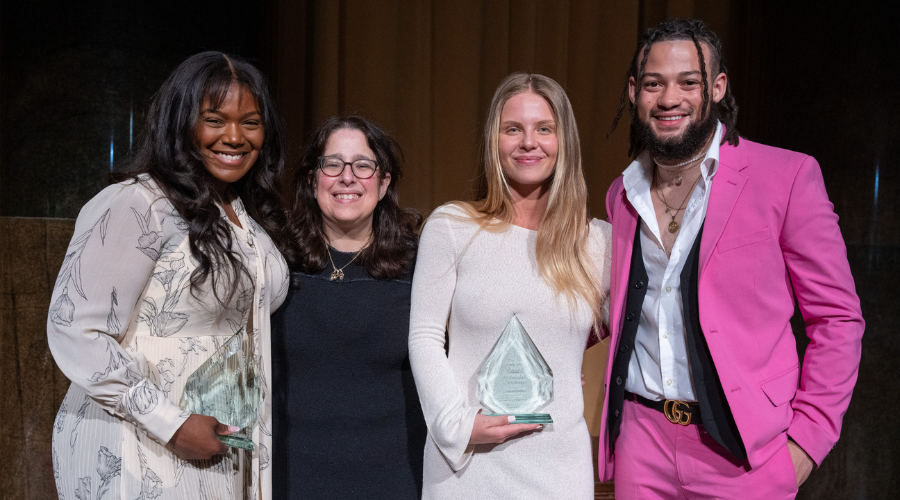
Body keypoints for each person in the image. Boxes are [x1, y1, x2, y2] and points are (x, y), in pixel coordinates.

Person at [598, 18, 864, 499]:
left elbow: (838, 319)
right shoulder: (622, 194)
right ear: (635, 92)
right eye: (654, 83)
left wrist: (806, 442)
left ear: (718, 87)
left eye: (689, 81)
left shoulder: (786, 176)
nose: (669, 98)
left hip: (747, 453)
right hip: (642, 443)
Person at [47, 51, 291, 499]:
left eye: (250, 122)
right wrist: (172, 423)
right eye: (214, 119)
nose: (234, 136)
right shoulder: (137, 203)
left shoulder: (243, 214)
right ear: (180, 123)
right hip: (136, 442)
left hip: (219, 441)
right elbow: (75, 329)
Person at [409, 72, 612, 499]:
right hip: (465, 466)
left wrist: (557, 364)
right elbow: (425, 336)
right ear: (494, 140)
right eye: (512, 129)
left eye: (544, 129)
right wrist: (459, 427)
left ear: (564, 141)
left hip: (559, 467)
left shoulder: (598, 242)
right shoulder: (453, 227)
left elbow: (616, 328)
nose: (528, 142)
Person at [271, 115, 426, 499]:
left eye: (363, 165)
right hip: (291, 477)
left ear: (384, 180)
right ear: (312, 178)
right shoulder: (274, 260)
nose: (347, 177)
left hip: (395, 478)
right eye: (332, 164)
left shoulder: (420, 263)